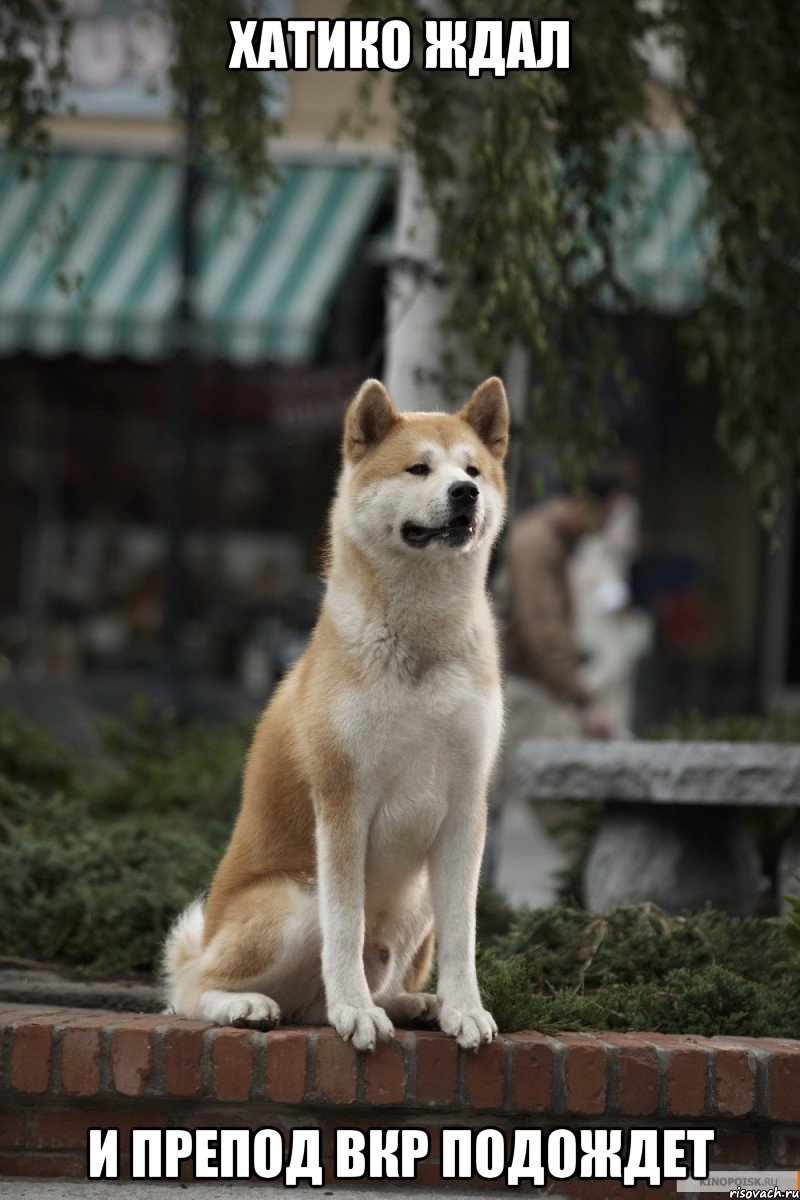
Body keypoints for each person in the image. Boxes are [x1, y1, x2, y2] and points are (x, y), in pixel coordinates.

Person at [504, 470, 627, 743]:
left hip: (537, 687)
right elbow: (542, 630)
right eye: (606, 515)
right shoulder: (538, 544)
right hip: (527, 691)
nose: (605, 527)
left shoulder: (551, 541)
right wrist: (583, 701)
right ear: (586, 502)